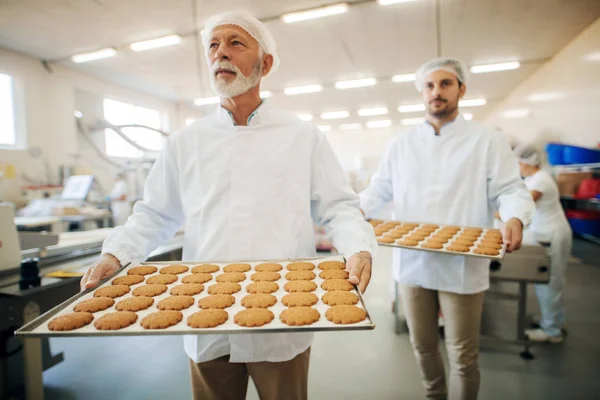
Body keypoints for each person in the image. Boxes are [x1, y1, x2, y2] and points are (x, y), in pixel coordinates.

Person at [80, 11, 376, 400]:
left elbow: (338, 206)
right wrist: (115, 254)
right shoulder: (186, 142)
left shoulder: (302, 136)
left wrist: (358, 247)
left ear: (264, 63)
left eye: (236, 43)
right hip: (205, 313)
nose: (221, 53)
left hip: (282, 314)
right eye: (213, 45)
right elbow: (154, 214)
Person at [359, 58, 535, 400]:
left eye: (445, 84)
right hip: (413, 262)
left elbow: (510, 189)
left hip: (463, 265)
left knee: (463, 356)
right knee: (422, 346)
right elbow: (379, 190)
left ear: (461, 89)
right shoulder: (402, 144)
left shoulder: (486, 140)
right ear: (421, 93)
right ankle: (434, 395)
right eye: (429, 86)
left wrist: (514, 216)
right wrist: (352, 212)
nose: (436, 92)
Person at [514, 143, 573, 343]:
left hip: (553, 234)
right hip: (547, 232)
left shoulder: (542, 180)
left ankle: (551, 332)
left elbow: (525, 204)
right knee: (551, 280)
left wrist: (496, 211)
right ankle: (555, 320)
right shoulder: (534, 178)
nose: (518, 167)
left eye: (519, 163)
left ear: (527, 162)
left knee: (549, 281)